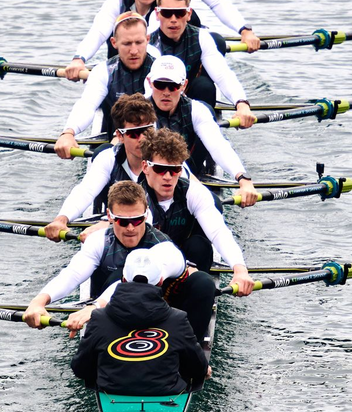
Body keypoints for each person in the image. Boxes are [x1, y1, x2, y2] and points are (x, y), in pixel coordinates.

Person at [22, 181, 245, 345]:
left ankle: (192, 349)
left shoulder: (164, 248)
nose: (131, 228)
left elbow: (130, 282)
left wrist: (95, 307)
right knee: (111, 273)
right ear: (109, 217)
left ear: (146, 215)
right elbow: (72, 274)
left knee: (204, 284)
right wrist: (39, 301)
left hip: (165, 311)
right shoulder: (99, 241)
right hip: (121, 311)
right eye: (123, 221)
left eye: (137, 220)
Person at [71, 248, 208, 396]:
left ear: (123, 279)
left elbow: (80, 368)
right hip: (167, 392)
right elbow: (198, 369)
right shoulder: (178, 319)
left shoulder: (99, 318)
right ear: (161, 281)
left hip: (110, 391)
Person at [137, 130, 254, 287]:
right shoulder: (136, 198)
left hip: (187, 264)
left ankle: (197, 291)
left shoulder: (194, 192)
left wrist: (240, 269)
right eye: (160, 169)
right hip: (147, 264)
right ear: (145, 167)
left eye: (175, 170)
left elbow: (219, 232)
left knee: (200, 247)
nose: (167, 177)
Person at [146, 55, 259, 206]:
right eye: (160, 84)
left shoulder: (197, 110)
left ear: (184, 85)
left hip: (183, 172)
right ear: (150, 83)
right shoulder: (139, 112)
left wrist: (243, 179)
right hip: (148, 177)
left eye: (173, 86)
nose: (166, 92)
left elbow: (218, 145)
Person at [44, 93, 156, 241]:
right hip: (123, 226)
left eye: (146, 131)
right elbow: (86, 191)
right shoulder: (109, 158)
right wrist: (62, 219)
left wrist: (106, 226)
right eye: (134, 134)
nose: (142, 139)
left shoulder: (166, 162)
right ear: (120, 136)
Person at [151, 0, 256, 127]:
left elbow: (222, 75)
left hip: (187, 96)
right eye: (167, 13)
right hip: (155, 100)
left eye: (180, 13)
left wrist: (242, 104)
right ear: (157, 14)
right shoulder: (147, 42)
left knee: (205, 87)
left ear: (188, 14)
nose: (173, 19)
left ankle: (203, 128)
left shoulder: (201, 37)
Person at [55, 12, 156, 158]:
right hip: (116, 137)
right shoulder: (103, 71)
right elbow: (87, 104)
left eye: (139, 43)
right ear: (114, 43)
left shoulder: (159, 69)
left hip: (154, 138)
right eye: (127, 43)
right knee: (102, 152)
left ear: (147, 40)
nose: (134, 51)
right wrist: (68, 133)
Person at [64, 0, 165, 80]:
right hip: (120, 74)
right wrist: (79, 59)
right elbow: (98, 33)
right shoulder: (116, 3)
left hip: (160, 78)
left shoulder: (171, 9)